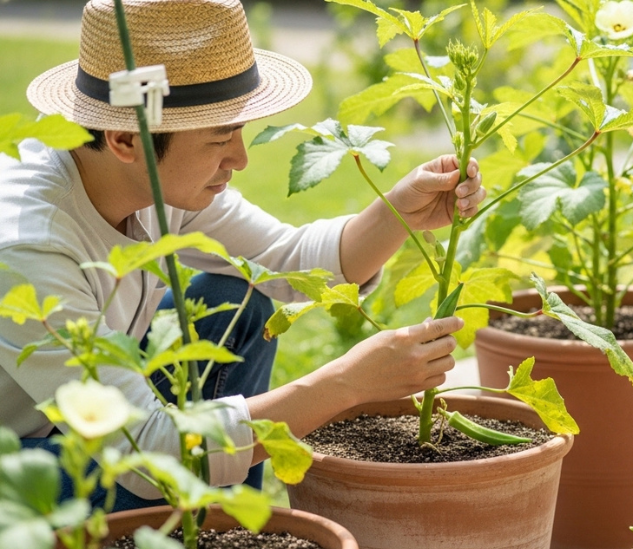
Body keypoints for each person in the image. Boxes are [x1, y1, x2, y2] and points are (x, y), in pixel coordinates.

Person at [0, 0, 485, 511]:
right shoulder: (30, 247)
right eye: (219, 137)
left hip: (91, 417)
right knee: (157, 470)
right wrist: (345, 384)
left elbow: (287, 261)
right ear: (126, 139)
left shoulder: (144, 176)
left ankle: (218, 528)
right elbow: (150, 448)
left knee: (240, 297)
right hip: (24, 458)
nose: (241, 158)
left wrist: (400, 211)